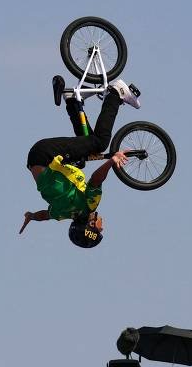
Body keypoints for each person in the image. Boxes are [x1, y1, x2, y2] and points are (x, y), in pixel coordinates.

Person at [18, 78, 140, 248]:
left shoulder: (89, 205)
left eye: (99, 230)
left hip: (47, 155)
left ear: (90, 226)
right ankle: (72, 101)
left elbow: (96, 179)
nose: (102, 227)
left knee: (100, 142)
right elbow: (44, 215)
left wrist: (112, 161)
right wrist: (31, 216)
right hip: (36, 160)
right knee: (88, 150)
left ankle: (115, 94)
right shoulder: (63, 213)